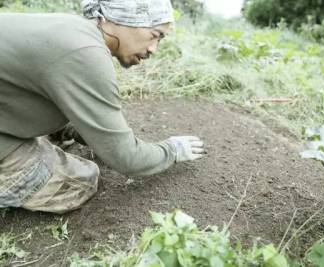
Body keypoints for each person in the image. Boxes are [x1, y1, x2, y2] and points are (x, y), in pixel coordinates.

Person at [0, 0, 205, 214]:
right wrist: (171, 150)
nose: (153, 49)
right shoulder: (85, 54)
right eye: (155, 35)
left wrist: (81, 131)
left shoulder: (72, 28)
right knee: (81, 180)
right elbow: (127, 158)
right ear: (128, 20)